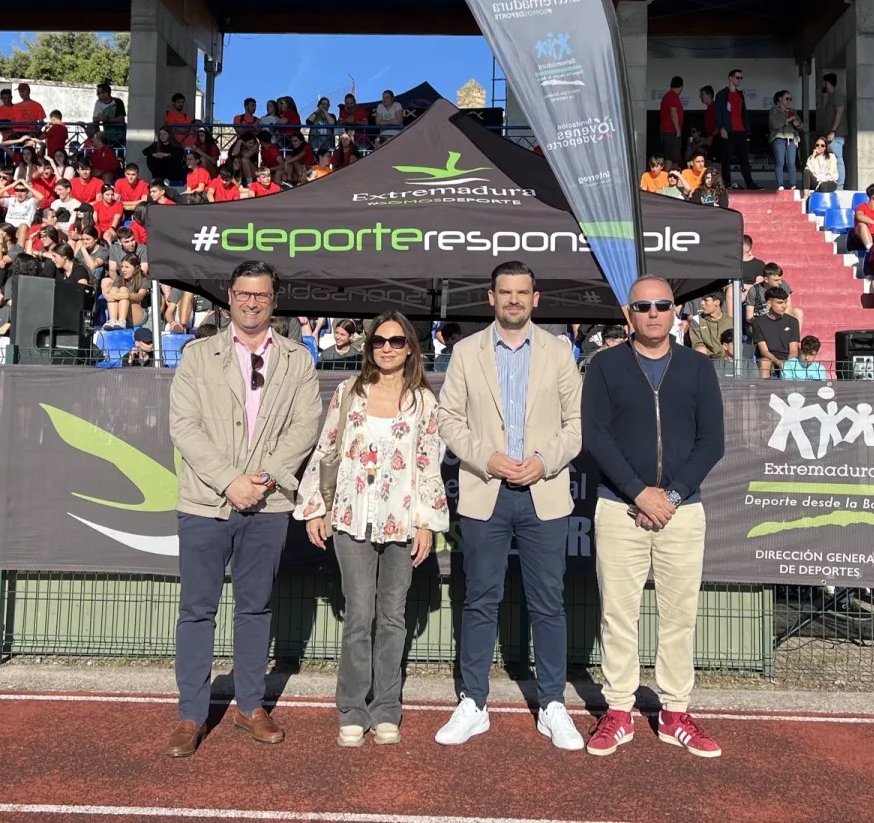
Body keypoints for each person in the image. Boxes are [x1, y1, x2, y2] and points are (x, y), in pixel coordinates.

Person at [165, 260, 323, 758]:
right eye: (243, 294)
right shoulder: (197, 355)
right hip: (205, 502)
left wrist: (266, 479)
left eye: (261, 295)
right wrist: (231, 481)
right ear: (229, 298)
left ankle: (250, 705)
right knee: (197, 611)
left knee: (255, 608)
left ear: (273, 301)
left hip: (270, 503)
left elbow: (305, 427)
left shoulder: (298, 359)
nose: (252, 302)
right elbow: (183, 425)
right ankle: (191, 714)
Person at [434, 261, 583, 750]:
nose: (514, 299)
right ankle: (473, 703)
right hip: (485, 491)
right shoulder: (466, 352)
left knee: (548, 603)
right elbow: (450, 420)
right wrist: (488, 459)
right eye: (505, 292)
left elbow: (576, 426)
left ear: (535, 299)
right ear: (491, 298)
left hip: (544, 492)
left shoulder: (560, 352)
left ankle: (553, 704)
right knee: (480, 600)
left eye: (522, 292)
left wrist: (543, 461)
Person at [581, 276, 724, 759]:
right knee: (618, 614)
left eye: (663, 305)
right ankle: (618, 709)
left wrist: (673, 495)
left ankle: (673, 712)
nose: (654, 313)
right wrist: (641, 494)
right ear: (629, 314)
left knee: (679, 617)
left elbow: (713, 442)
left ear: (675, 312)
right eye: (644, 306)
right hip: (619, 505)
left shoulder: (698, 368)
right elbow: (595, 437)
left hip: (684, 511)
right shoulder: (604, 366)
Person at [295, 313, 449, 746]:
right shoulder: (348, 393)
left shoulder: (424, 402)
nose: (387, 347)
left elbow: (427, 465)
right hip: (350, 518)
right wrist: (315, 509)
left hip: (402, 522)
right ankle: (351, 708)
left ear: (410, 348)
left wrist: (426, 523)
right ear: (368, 347)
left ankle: (386, 708)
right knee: (359, 615)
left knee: (394, 617)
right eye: (379, 341)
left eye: (397, 341)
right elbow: (327, 447)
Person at [715, 68, 755, 190]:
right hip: (728, 130)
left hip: (741, 130)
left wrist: (747, 129)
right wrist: (721, 127)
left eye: (741, 78)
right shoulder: (722, 94)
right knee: (726, 158)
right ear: (730, 78)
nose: (739, 80)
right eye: (737, 77)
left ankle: (750, 183)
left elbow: (743, 112)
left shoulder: (740, 94)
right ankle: (727, 183)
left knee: (744, 159)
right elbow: (718, 112)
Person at [751, 286, 799, 378]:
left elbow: (794, 351)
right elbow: (764, 351)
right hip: (770, 359)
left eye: (785, 302)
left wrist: (787, 364)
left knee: (794, 363)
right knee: (764, 362)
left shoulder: (792, 321)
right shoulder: (758, 322)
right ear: (769, 303)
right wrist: (778, 362)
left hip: (789, 359)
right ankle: (764, 391)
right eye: (780, 303)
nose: (784, 306)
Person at [816, 73, 847, 188]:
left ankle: (840, 186)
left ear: (827, 83)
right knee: (832, 160)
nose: (822, 85)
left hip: (836, 135)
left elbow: (839, 113)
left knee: (838, 159)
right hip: (831, 134)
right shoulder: (830, 97)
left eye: (823, 83)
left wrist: (833, 131)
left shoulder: (837, 95)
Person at [767, 90, 801, 191]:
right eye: (787, 98)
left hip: (791, 138)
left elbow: (801, 126)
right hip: (779, 138)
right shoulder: (774, 110)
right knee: (780, 162)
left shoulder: (793, 111)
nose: (789, 101)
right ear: (780, 99)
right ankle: (780, 184)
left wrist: (796, 122)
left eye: (790, 99)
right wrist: (787, 121)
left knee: (791, 162)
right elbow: (773, 124)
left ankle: (793, 184)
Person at [658, 76, 685, 168]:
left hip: (666, 131)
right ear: (681, 87)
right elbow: (673, 112)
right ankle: (668, 178)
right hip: (671, 132)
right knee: (672, 158)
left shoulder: (667, 96)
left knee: (669, 157)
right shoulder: (673, 96)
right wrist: (677, 129)